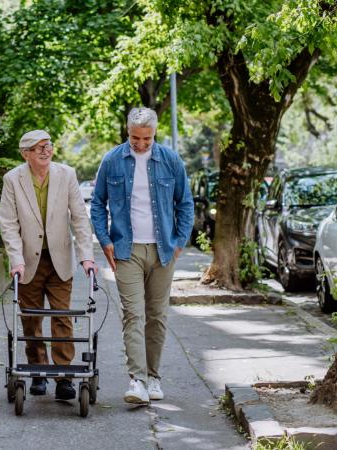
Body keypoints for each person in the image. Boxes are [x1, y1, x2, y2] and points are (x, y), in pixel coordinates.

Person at [90, 107, 194, 404]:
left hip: (163, 251)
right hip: (127, 250)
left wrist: (179, 244)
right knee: (133, 315)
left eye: (146, 139)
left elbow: (185, 204)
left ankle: (154, 377)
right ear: (128, 132)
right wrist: (106, 240)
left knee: (157, 316)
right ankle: (137, 380)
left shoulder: (170, 160)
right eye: (135, 138)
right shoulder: (112, 160)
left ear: (154, 134)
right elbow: (98, 204)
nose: (140, 144)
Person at [0, 129, 97, 400]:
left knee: (62, 317)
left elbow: (79, 217)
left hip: (59, 259)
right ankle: (38, 371)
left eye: (48, 145)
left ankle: (64, 377)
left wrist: (86, 255)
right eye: (38, 147)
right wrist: (16, 260)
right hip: (28, 260)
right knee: (31, 319)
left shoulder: (67, 174)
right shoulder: (13, 180)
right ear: (26, 154)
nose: (45, 150)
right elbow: (8, 223)